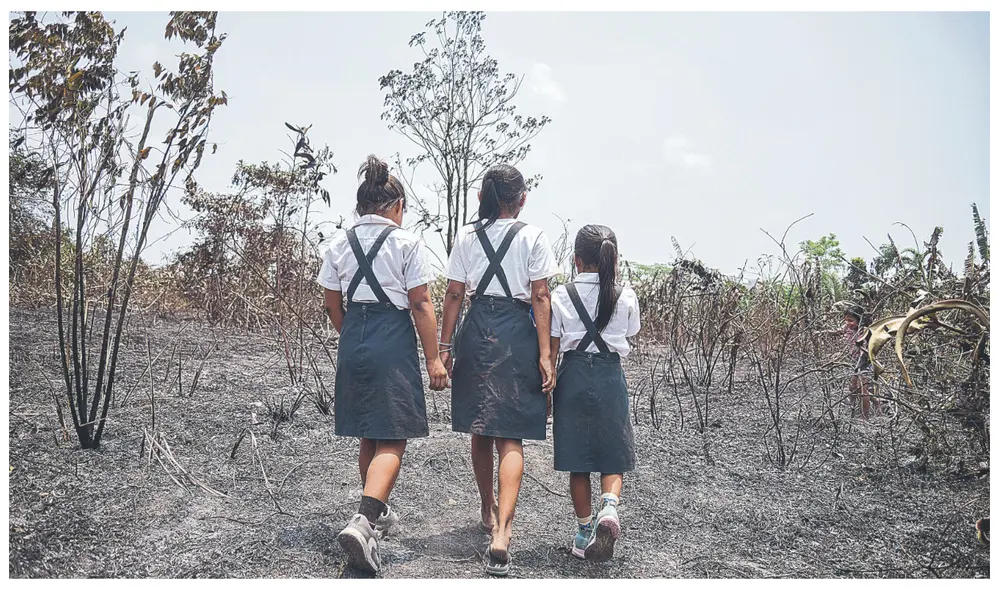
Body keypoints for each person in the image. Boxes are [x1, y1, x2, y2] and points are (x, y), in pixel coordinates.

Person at [317, 155, 449, 574]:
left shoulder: (337, 244)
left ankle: (376, 513)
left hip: (353, 335)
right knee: (393, 438)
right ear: (396, 206)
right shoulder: (406, 243)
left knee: (369, 434)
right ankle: (364, 521)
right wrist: (434, 358)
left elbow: (331, 304)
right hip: (392, 338)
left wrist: (354, 335)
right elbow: (421, 303)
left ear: (360, 207)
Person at [438, 164, 559, 577]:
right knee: (511, 437)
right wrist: (546, 354)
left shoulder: (466, 236)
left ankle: (487, 509)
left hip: (475, 330)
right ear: (522, 199)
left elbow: (454, 293)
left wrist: (444, 346)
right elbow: (540, 295)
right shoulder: (533, 236)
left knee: (480, 427)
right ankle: (503, 532)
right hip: (517, 335)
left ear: (481, 198)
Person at [549, 224, 640, 562]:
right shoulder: (626, 295)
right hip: (609, 376)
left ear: (576, 259)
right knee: (612, 454)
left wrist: (547, 385)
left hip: (572, 377)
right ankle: (610, 508)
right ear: (613, 259)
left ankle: (584, 530)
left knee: (579, 461)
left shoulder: (561, 295)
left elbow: (553, 344)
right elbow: (631, 330)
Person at [842, 307, 878, 419]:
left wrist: (861, 362)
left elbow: (866, 350)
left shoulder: (865, 331)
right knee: (853, 387)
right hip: (854, 360)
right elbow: (840, 331)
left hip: (865, 362)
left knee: (863, 390)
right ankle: (876, 402)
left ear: (860, 320)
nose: (847, 323)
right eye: (846, 320)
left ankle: (864, 417)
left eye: (851, 320)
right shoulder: (847, 328)